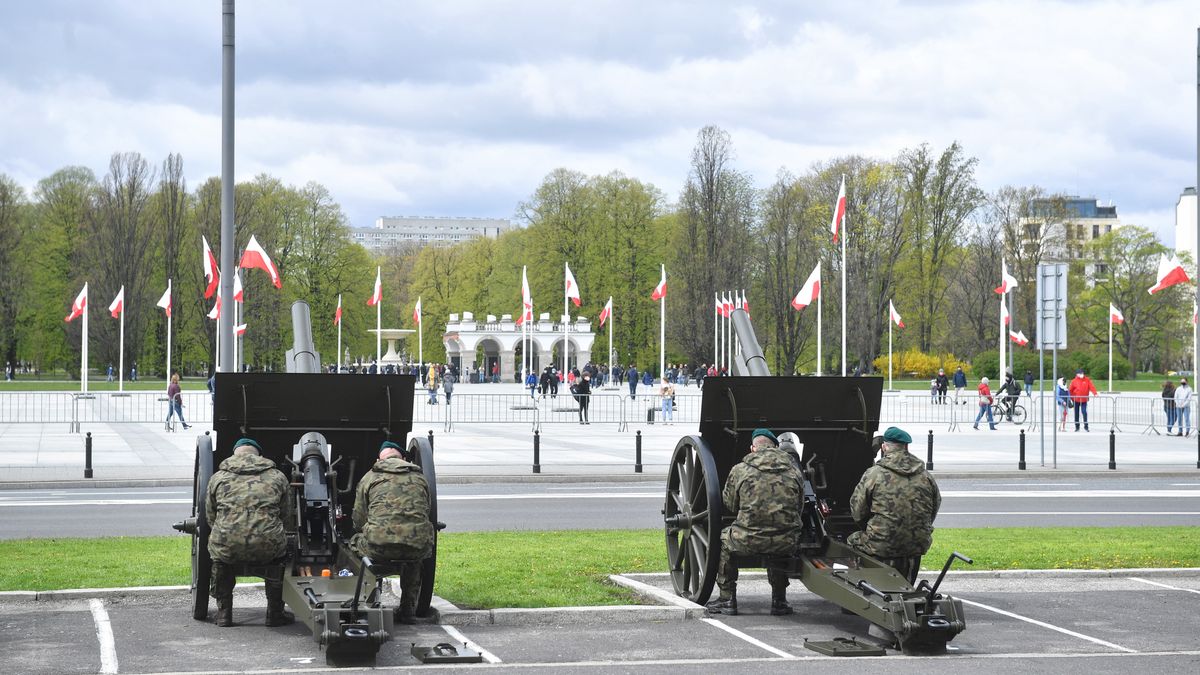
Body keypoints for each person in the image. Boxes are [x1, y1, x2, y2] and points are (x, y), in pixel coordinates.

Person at [705, 428, 803, 617]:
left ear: (753, 448)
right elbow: (799, 507)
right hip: (786, 542)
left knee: (726, 539)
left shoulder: (740, 470)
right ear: (775, 447)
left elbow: (730, 505)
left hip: (748, 539)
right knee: (779, 540)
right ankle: (779, 601)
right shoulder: (794, 471)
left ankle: (727, 600)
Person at [205, 438, 292, 627]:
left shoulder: (218, 478)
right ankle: (274, 614)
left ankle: (224, 614)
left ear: (234, 454)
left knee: (220, 558)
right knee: (280, 557)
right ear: (258, 455)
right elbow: (286, 515)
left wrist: (228, 534)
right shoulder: (277, 477)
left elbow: (210, 516)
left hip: (227, 546)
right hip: (268, 546)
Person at [349, 441, 434, 624]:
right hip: (416, 547)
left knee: (355, 543)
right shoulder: (420, 478)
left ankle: (366, 600)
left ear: (379, 459)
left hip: (379, 549)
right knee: (413, 559)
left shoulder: (369, 478)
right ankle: (408, 610)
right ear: (403, 458)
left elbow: (358, 519)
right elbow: (426, 511)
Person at [848, 426, 941, 584]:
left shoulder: (874, 474)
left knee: (851, 541)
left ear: (884, 447)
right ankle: (907, 585)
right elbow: (935, 506)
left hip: (882, 542)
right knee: (909, 547)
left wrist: (870, 527)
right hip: (917, 542)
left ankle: (860, 587)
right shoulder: (925, 476)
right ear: (906, 447)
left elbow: (857, 511)